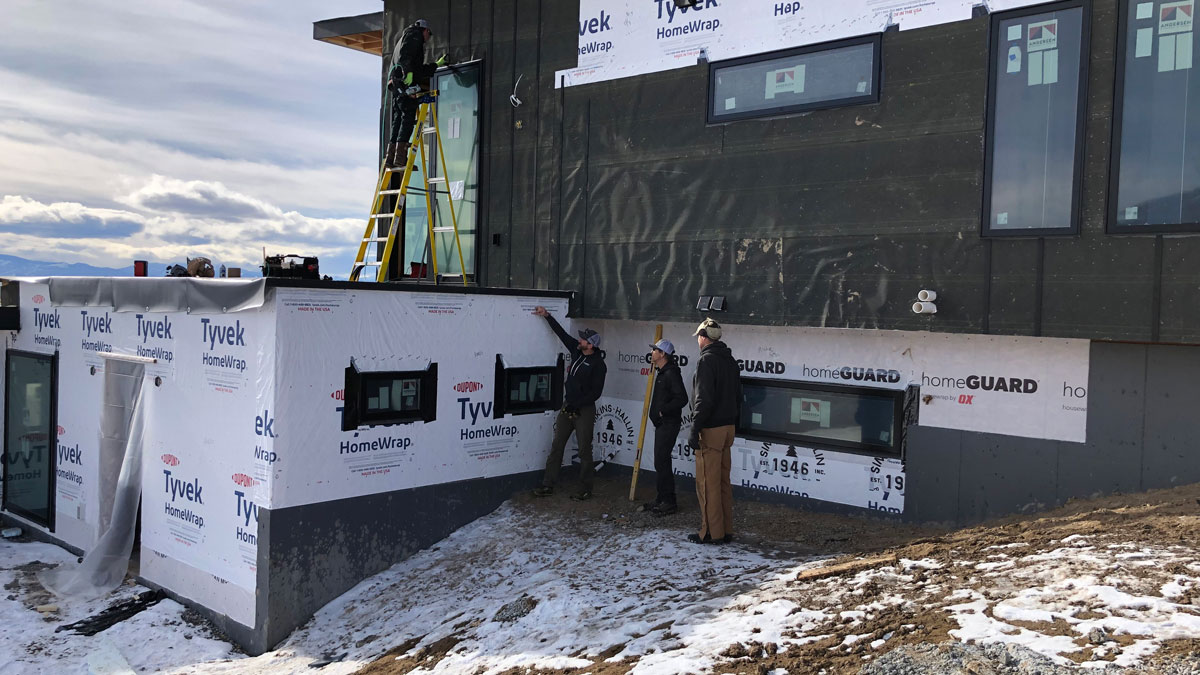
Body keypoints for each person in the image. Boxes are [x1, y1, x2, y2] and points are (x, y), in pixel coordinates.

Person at [531, 305, 607, 501]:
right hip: (568, 406)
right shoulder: (577, 351)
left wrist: (578, 404)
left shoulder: (599, 365)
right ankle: (548, 484)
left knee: (584, 450)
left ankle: (585, 488)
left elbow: (596, 392)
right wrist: (547, 316)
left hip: (584, 409)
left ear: (591, 345)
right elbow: (562, 334)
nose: (579, 340)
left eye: (583, 339)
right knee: (557, 445)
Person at [686, 318, 741, 544]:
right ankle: (726, 530)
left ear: (703, 337)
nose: (698, 341)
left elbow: (704, 399)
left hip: (711, 430)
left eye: (698, 337)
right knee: (723, 482)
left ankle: (711, 533)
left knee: (708, 484)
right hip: (728, 428)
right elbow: (738, 396)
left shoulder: (706, 361)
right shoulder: (730, 360)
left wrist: (695, 428)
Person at [385, 19, 447, 168]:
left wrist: (436, 65)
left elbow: (417, 69)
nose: (428, 38)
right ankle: (400, 158)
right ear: (425, 30)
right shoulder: (414, 35)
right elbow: (406, 56)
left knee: (398, 119)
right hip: (404, 83)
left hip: (397, 84)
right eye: (429, 35)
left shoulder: (403, 39)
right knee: (407, 117)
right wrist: (408, 73)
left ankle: (390, 158)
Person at [646, 338, 688, 515]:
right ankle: (662, 498)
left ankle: (669, 501)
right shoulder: (663, 372)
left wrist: (663, 411)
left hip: (669, 423)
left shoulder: (671, 373)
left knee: (662, 460)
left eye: (655, 350)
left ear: (663, 354)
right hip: (663, 423)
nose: (652, 352)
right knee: (660, 461)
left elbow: (682, 398)